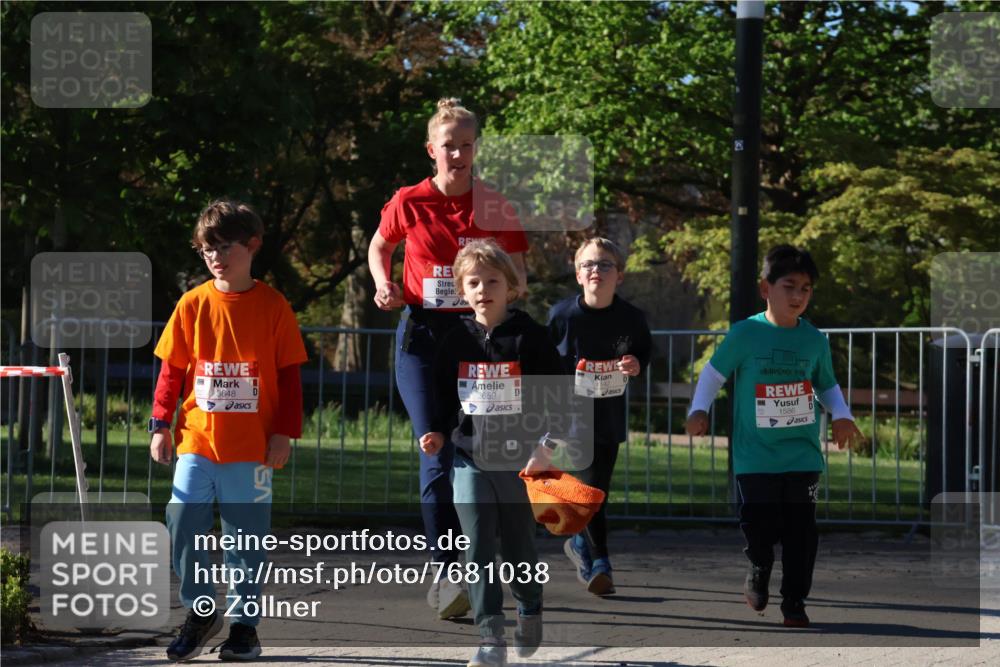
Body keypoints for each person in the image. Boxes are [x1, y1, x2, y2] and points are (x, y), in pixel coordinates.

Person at [367, 98, 529, 620]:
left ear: (475, 148)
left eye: (466, 144)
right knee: (434, 446)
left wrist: (501, 294)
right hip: (421, 337)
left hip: (475, 341)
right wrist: (384, 283)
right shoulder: (409, 200)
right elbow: (378, 247)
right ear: (430, 149)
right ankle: (446, 569)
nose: (457, 153)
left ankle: (479, 558)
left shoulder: (496, 205)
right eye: (448, 145)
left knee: (479, 451)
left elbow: (519, 273)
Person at [149, 200, 307, 661]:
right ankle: (199, 611)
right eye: (206, 250)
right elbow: (171, 373)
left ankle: (243, 627)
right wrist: (161, 425)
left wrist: (284, 433)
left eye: (224, 247)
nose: (215, 256)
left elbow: (291, 378)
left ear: (252, 244)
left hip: (253, 447)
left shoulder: (274, 306)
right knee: (182, 520)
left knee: (245, 538)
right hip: (197, 438)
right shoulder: (192, 303)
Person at [685, 244, 863, 628]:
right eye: (789, 286)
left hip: (802, 455)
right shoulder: (746, 333)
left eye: (806, 288)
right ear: (766, 288)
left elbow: (827, 385)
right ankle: (759, 564)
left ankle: (795, 601)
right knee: (760, 524)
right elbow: (713, 374)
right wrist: (698, 409)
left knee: (802, 533)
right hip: (755, 456)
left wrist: (842, 415)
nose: (798, 296)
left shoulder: (815, 339)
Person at [420, 240, 563, 667]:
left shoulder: (530, 338)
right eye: (474, 282)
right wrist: (436, 432)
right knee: (477, 546)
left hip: (520, 462)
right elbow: (443, 397)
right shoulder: (455, 339)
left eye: (493, 281)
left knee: (519, 548)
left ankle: (530, 605)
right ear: (462, 290)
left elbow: (563, 399)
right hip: (470, 460)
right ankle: (489, 637)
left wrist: (546, 448)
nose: (484, 289)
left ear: (511, 287)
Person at [547, 237, 651, 596]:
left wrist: (636, 364)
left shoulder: (632, 318)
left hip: (610, 414)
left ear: (619, 276)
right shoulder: (562, 316)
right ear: (578, 274)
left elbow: (643, 355)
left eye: (605, 265)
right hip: (574, 416)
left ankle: (579, 543)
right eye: (589, 264)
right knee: (589, 489)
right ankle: (601, 560)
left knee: (597, 492)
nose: (597, 270)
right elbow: (546, 362)